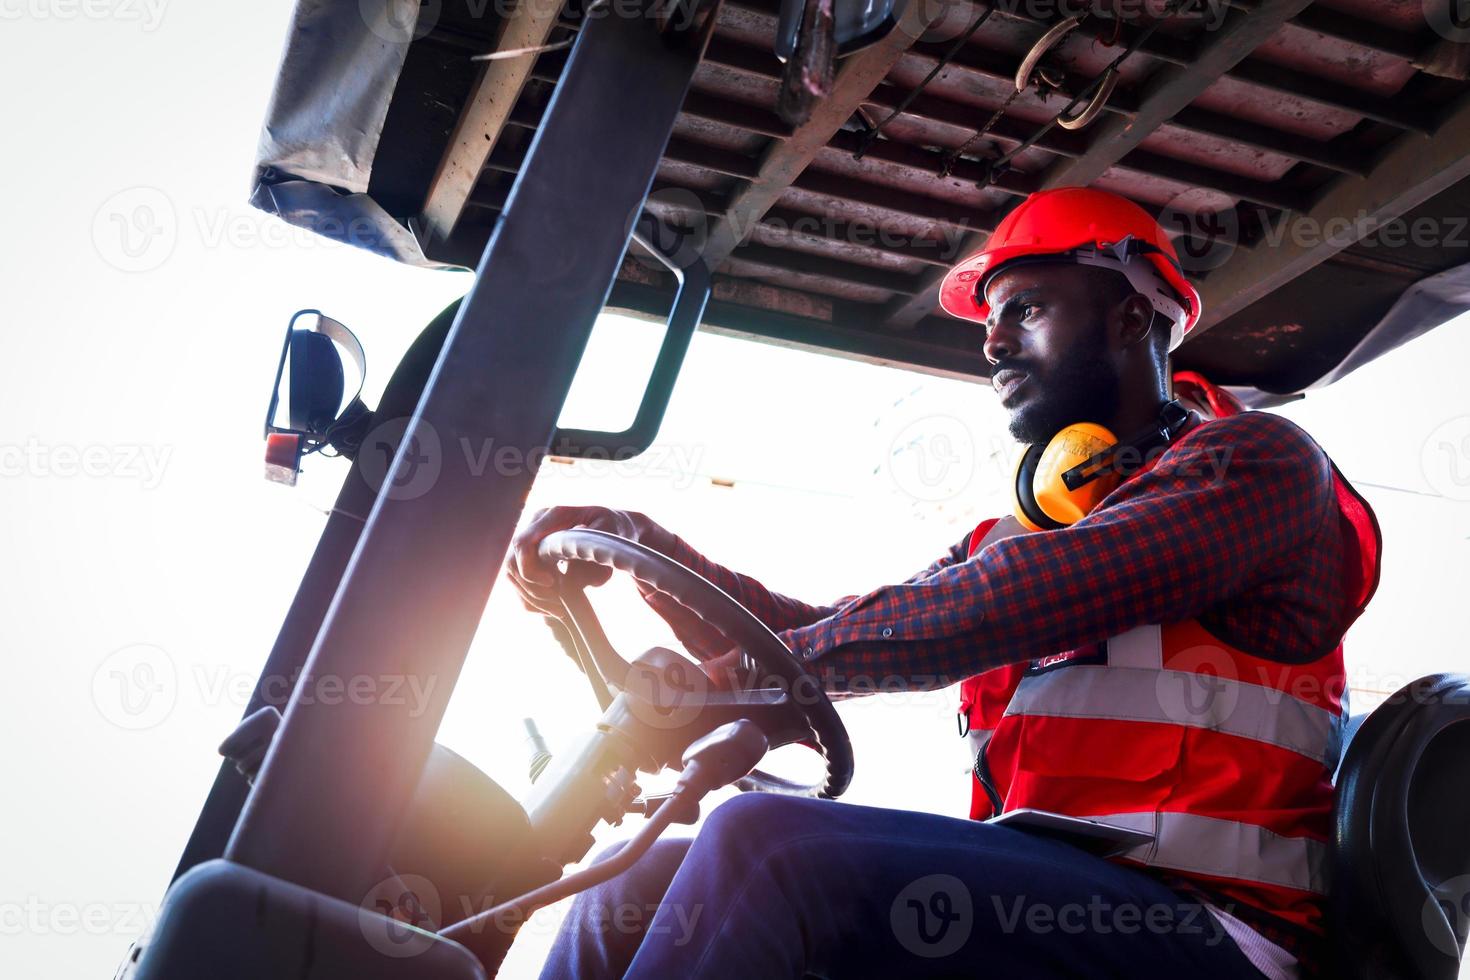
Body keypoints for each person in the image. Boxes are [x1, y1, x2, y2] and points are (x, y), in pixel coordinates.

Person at [508, 188, 1380, 979]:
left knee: (764, 845)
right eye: (991, 323)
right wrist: (642, 554)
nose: (994, 342)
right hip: (1052, 904)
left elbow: (1016, 602)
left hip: (1220, 939)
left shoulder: (1255, 466)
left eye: (1027, 309)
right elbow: (822, 634)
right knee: (634, 881)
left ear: (1128, 316)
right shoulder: (1015, 536)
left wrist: (735, 680)